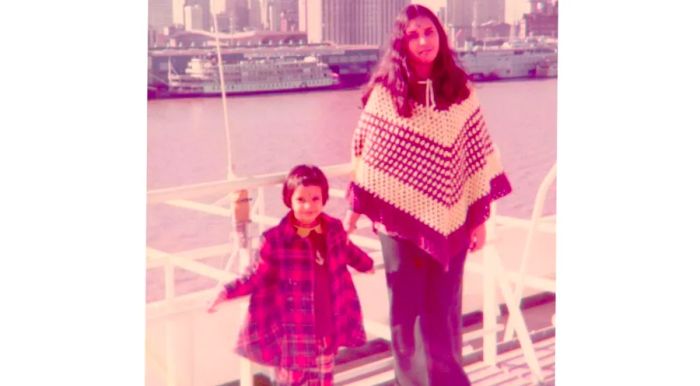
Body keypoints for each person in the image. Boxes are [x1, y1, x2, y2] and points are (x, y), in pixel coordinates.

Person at [343, 4, 512, 386]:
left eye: (429, 32)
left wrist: (479, 219)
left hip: (453, 220)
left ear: (441, 36)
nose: (423, 41)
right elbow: (364, 150)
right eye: (414, 35)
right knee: (406, 312)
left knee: (444, 308)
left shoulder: (461, 90)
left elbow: (478, 157)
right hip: (397, 224)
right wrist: (358, 209)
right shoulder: (386, 94)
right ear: (402, 43)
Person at [208, 164, 375, 386]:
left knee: (324, 381)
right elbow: (255, 274)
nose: (308, 206)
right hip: (293, 335)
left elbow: (347, 250)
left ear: (324, 199)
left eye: (315, 199)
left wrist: (366, 264)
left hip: (327, 327)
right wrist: (226, 291)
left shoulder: (333, 229)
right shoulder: (275, 240)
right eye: (301, 200)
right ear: (289, 200)